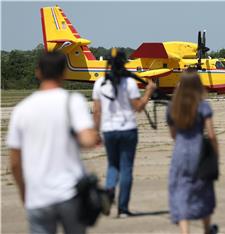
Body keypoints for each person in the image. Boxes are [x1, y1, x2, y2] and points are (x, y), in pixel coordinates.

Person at [7, 52, 98, 234]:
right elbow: (89, 140)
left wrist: (24, 192)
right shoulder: (73, 101)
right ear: (64, 73)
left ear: (38, 72)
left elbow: (15, 162)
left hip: (38, 196)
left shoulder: (21, 109)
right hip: (70, 193)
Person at [92, 60, 156, 218]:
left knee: (112, 165)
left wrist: (95, 131)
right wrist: (149, 92)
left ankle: (108, 193)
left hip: (109, 131)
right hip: (128, 130)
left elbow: (97, 111)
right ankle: (123, 209)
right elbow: (139, 107)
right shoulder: (130, 83)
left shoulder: (99, 83)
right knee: (126, 168)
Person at [166, 71, 218, 234]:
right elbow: (211, 134)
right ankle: (206, 228)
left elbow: (173, 134)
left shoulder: (172, 106)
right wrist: (215, 153)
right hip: (199, 152)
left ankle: (184, 231)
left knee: (180, 190)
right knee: (203, 188)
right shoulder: (203, 105)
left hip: (180, 152)